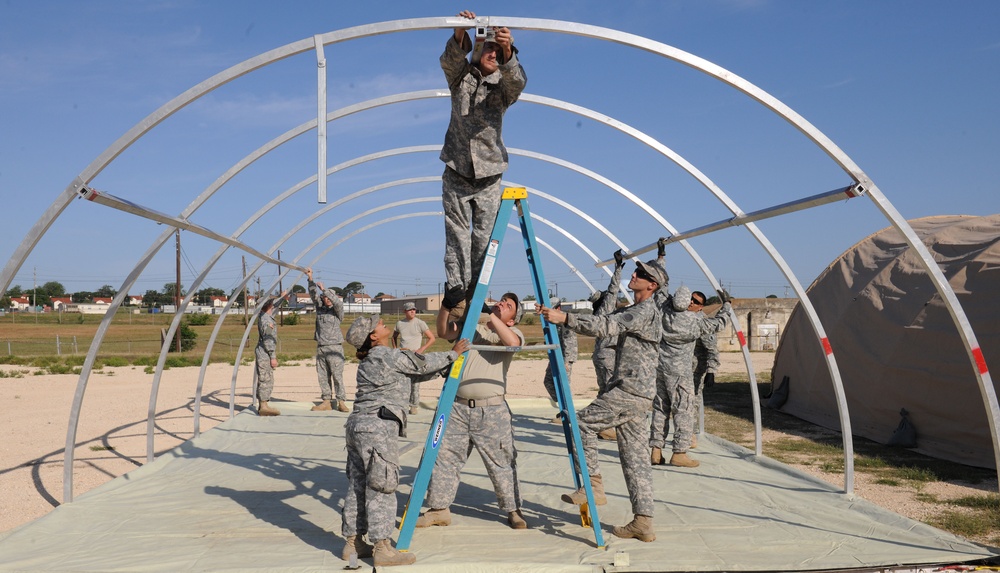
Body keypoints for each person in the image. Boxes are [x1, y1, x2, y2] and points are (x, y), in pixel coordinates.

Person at [538, 256, 666, 542]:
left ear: (652, 285)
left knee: (580, 423)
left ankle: (593, 485)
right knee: (635, 460)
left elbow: (606, 326)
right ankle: (643, 522)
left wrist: (565, 318)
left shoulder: (644, 311)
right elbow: (606, 318)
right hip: (637, 391)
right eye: (635, 271)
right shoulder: (639, 308)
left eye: (641, 274)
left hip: (630, 390)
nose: (634, 276)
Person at [340, 314, 468, 567]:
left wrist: (444, 366)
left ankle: (352, 543)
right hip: (377, 428)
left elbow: (411, 374)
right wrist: (452, 354)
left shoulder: (372, 361)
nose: (383, 323)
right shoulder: (387, 355)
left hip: (357, 426)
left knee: (358, 485)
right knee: (382, 486)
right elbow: (420, 363)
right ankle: (382, 548)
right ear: (373, 337)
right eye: (377, 325)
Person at [439, 10, 527, 321]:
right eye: (487, 48)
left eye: (497, 50)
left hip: (489, 174)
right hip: (457, 170)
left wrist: (509, 50)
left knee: (483, 240)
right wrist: (461, 32)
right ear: (477, 51)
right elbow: (450, 60)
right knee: (457, 235)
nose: (492, 53)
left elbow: (518, 81)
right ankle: (456, 292)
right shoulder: (460, 78)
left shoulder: (503, 87)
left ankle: (476, 293)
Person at [415, 293, 528, 530]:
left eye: (508, 306)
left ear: (512, 320)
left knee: (502, 462)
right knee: (443, 458)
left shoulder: (512, 334)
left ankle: (513, 510)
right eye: (501, 301)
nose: (501, 304)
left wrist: (489, 315)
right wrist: (446, 307)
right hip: (456, 407)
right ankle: (439, 509)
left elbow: (513, 344)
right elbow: (444, 332)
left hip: (492, 410)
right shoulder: (471, 328)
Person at [649, 258, 731, 468]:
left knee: (660, 409)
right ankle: (679, 453)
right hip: (681, 373)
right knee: (683, 411)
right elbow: (720, 322)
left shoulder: (663, 313)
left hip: (660, 369)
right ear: (687, 303)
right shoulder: (696, 321)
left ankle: (656, 451)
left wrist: (661, 260)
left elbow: (660, 288)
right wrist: (727, 304)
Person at [590, 251, 629, 441]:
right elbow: (613, 290)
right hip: (606, 356)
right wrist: (618, 268)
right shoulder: (605, 311)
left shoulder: (600, 314)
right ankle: (602, 426)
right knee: (609, 392)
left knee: (604, 389)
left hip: (602, 355)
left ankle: (600, 424)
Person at [306, 267, 348, 412]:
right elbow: (313, 295)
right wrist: (310, 279)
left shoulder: (337, 311)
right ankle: (326, 401)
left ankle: (341, 401)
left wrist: (325, 290)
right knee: (323, 376)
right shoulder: (320, 309)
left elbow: (338, 303)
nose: (327, 299)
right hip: (322, 347)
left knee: (337, 376)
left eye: (329, 297)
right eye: (325, 297)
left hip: (335, 347)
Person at [393, 302, 437, 415]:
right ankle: (401, 403)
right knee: (402, 381)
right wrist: (395, 349)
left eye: (414, 310)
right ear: (404, 311)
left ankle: (413, 405)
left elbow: (432, 338)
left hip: (416, 356)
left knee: (415, 383)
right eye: (410, 310)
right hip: (403, 355)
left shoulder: (420, 323)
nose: (412, 311)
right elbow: (394, 337)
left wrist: (421, 349)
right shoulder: (399, 323)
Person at [690, 294, 721, 449]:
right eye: (690, 299)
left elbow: (711, 349)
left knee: (692, 403)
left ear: (701, 306)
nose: (691, 302)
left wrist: (711, 370)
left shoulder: (703, 322)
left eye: (696, 302)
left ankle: (690, 436)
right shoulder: (682, 318)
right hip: (680, 370)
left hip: (695, 370)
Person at [254, 289, 290, 417]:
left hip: (264, 353)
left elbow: (275, 304)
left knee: (267, 378)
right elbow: (268, 340)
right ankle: (263, 406)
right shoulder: (266, 320)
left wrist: (282, 297)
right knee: (265, 379)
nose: (273, 304)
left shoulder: (266, 315)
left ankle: (264, 404)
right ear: (268, 305)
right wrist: (272, 357)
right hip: (265, 353)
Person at [542, 296, 577, 417]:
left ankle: (568, 413)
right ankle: (563, 407)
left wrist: (567, 361)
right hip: (555, 356)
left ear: (558, 308)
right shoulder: (551, 321)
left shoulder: (564, 320)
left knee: (564, 385)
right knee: (548, 381)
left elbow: (569, 341)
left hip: (564, 358)